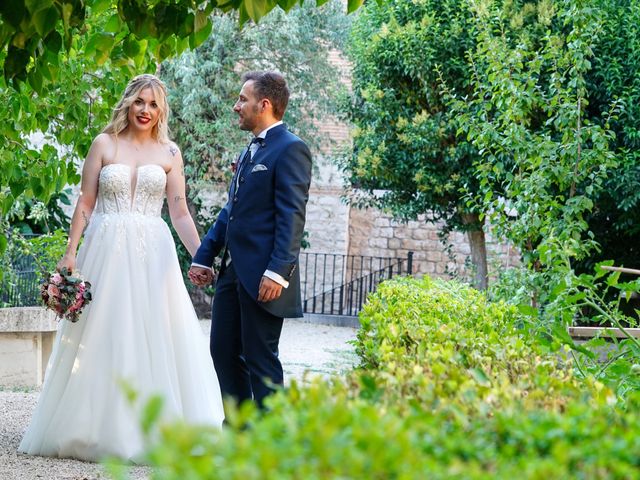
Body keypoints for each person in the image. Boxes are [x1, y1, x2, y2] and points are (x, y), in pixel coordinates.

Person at [19, 74, 224, 462]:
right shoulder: (104, 144)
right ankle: (92, 428)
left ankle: (157, 428)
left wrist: (200, 256)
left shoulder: (170, 153)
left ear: (160, 110)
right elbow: (86, 202)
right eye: (139, 102)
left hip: (152, 253)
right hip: (106, 249)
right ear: (128, 103)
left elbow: (179, 211)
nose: (145, 110)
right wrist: (70, 253)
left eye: (153, 104)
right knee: (103, 332)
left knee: (156, 333)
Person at [189, 71, 312, 408]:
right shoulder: (249, 152)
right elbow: (233, 211)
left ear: (265, 104)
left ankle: (270, 448)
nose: (236, 106)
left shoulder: (291, 149)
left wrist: (278, 272)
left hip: (263, 278)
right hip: (232, 274)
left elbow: (291, 215)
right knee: (223, 351)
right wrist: (204, 254)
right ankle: (239, 436)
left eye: (242, 99)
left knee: (261, 362)